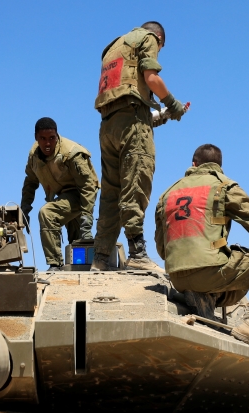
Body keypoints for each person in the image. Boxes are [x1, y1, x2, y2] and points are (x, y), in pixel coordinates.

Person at [154, 144, 249, 354]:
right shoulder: (223, 186)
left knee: (229, 271)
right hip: (210, 273)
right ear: (218, 166)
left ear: (193, 164)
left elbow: (162, 249)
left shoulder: (167, 195)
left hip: (178, 277)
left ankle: (205, 296)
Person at [91, 21, 187, 271]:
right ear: (159, 38)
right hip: (131, 120)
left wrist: (163, 115)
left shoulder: (114, 47)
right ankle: (137, 253)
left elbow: (130, 106)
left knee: (111, 193)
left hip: (108, 125)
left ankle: (100, 258)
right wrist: (173, 105)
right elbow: (151, 78)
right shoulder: (148, 38)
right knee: (136, 182)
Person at [20, 117, 99, 271]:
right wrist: (24, 210)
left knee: (47, 213)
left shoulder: (71, 153)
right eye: (42, 139)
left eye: (51, 138)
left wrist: (87, 219)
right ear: (36, 137)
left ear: (57, 135)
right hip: (62, 196)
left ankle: (54, 263)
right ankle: (78, 270)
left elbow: (88, 186)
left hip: (81, 193)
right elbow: (30, 182)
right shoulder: (34, 156)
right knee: (77, 244)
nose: (47, 143)